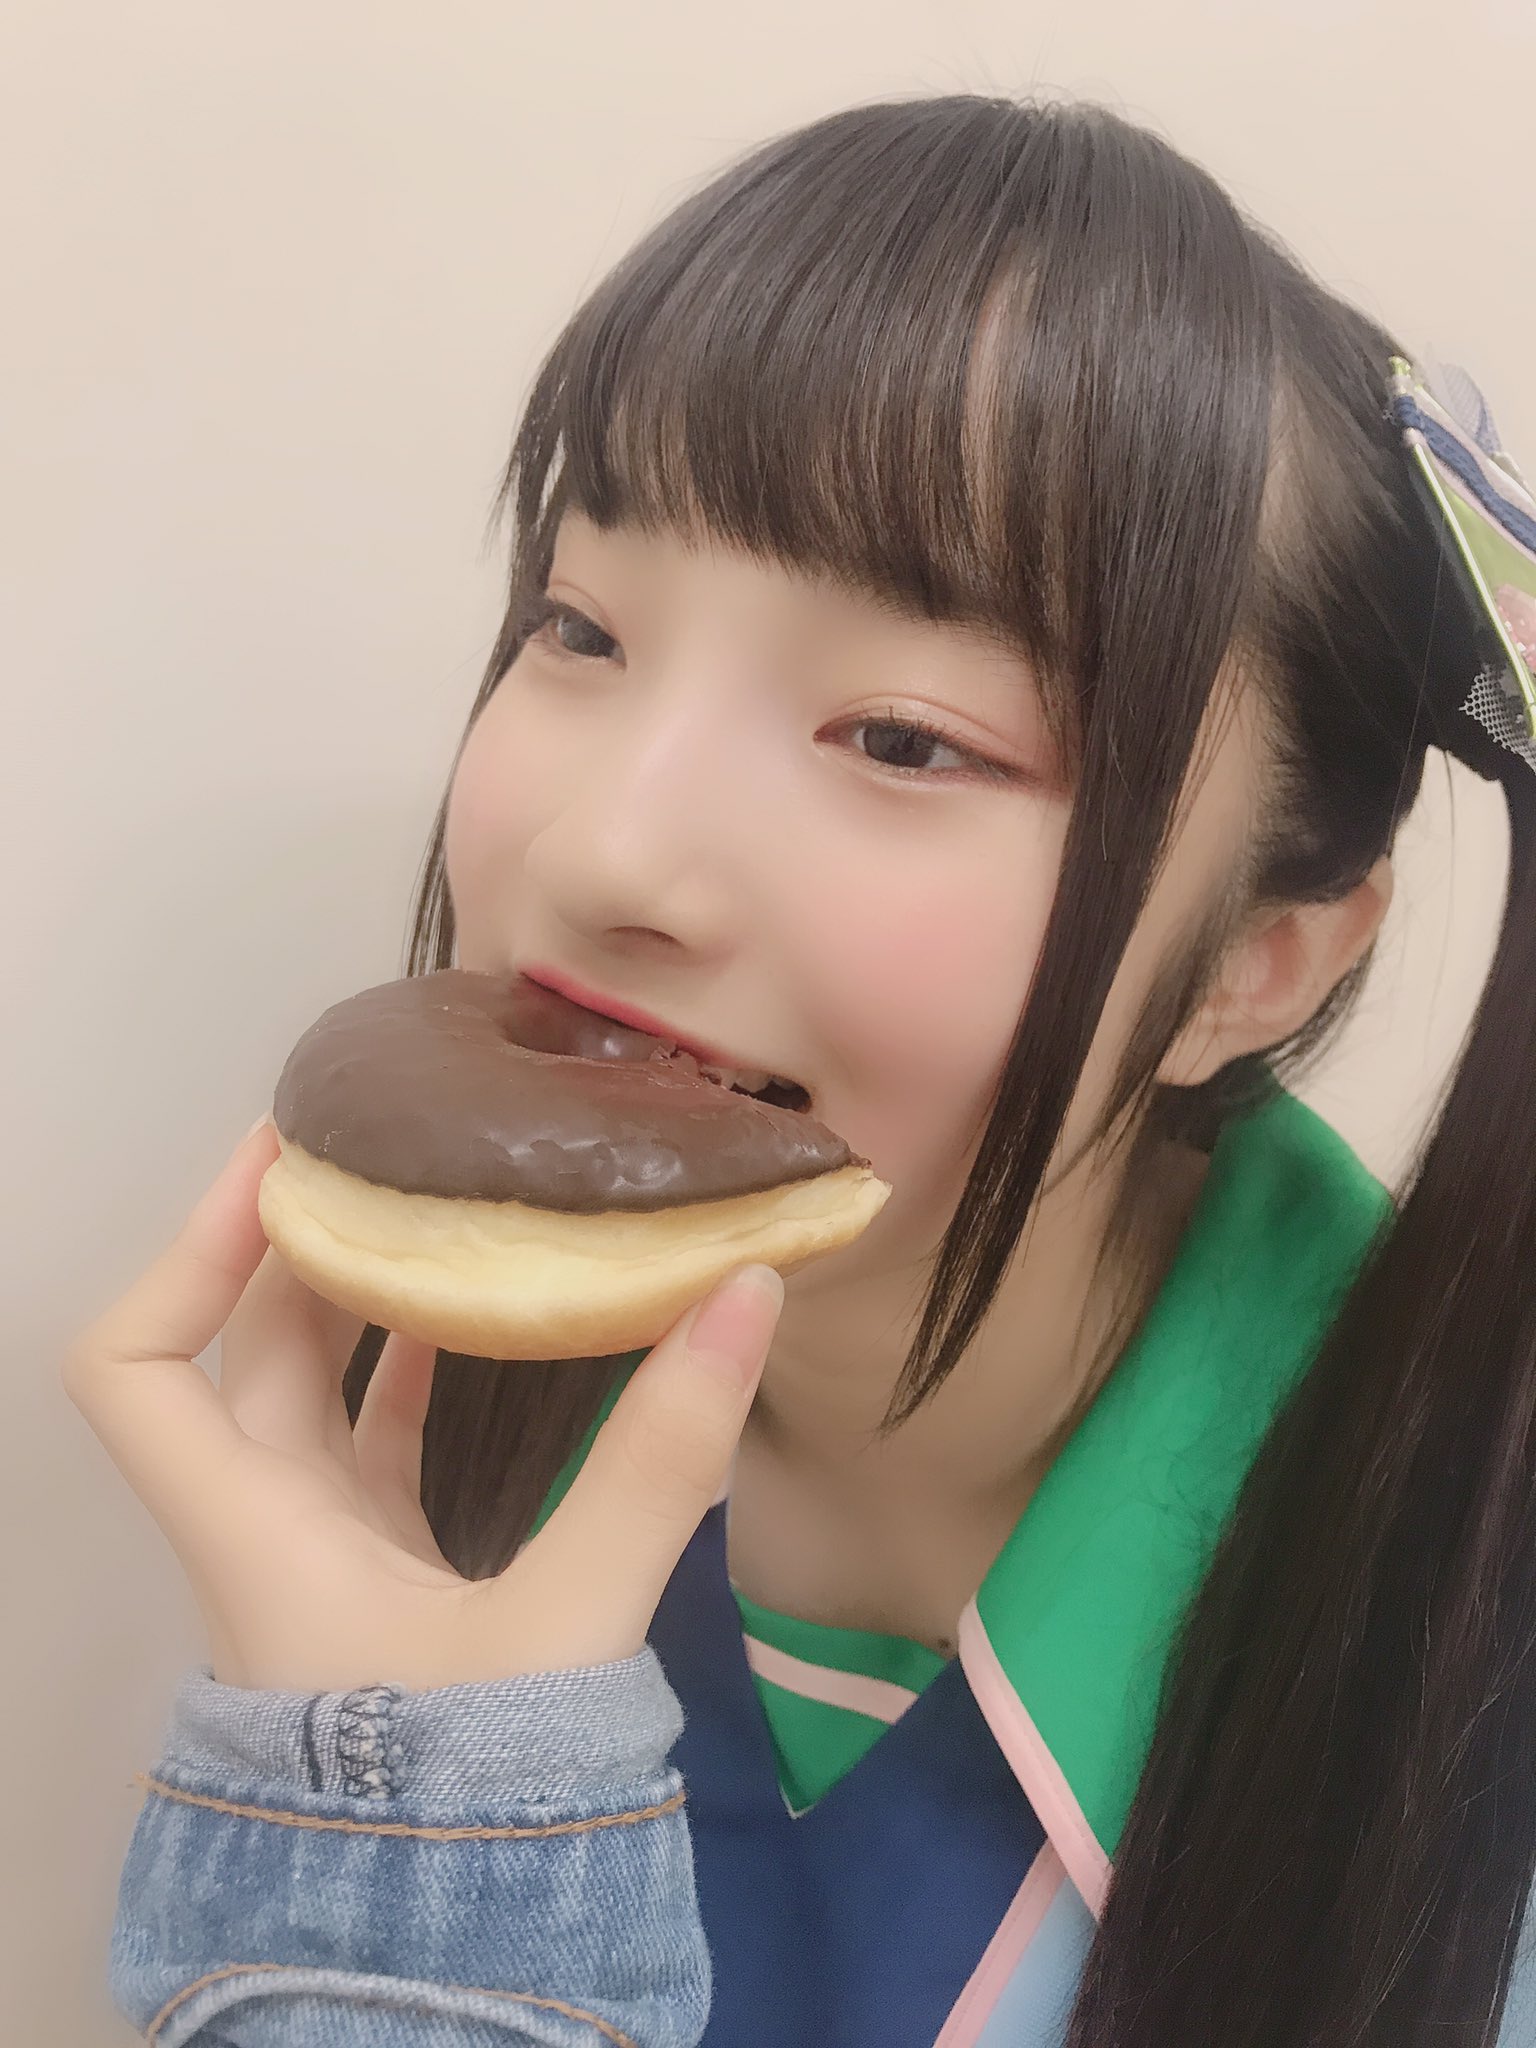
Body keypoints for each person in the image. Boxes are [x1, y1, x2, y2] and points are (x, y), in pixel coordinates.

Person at [62, 91, 1536, 2048]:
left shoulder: (1466, 1701)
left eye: (904, 739)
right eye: (580, 624)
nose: (603, 851)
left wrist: (403, 1869)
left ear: (1253, 966)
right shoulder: (399, 1435)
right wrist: (341, 1762)